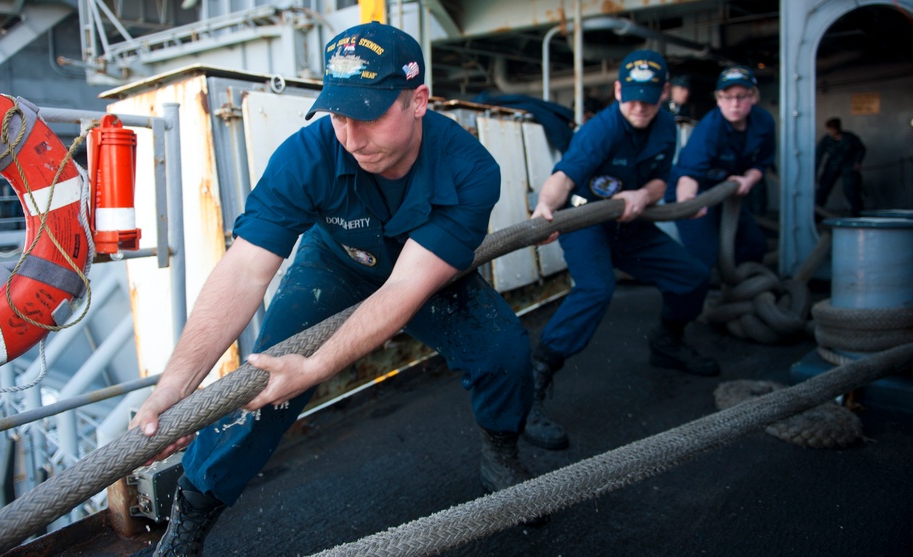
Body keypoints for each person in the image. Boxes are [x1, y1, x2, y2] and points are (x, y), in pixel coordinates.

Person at [132, 22, 536, 555]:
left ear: (418, 101)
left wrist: (318, 367)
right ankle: (191, 515)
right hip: (336, 265)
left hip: (429, 279)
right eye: (339, 115)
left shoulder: (470, 171)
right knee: (261, 387)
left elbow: (405, 288)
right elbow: (245, 270)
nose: (350, 135)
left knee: (504, 352)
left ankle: (500, 450)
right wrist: (176, 386)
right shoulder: (310, 154)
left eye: (367, 115)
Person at [526, 50, 719, 451]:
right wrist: (545, 209)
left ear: (665, 92)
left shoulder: (666, 127)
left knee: (693, 276)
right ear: (617, 90)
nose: (639, 106)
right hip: (585, 221)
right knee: (597, 288)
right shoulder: (602, 129)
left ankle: (667, 342)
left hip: (630, 223)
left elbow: (660, 184)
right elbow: (562, 179)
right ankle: (532, 382)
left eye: (649, 97)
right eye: (630, 96)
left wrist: (641, 194)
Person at [668, 65, 775, 270]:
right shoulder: (710, 128)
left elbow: (762, 163)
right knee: (703, 254)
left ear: (753, 97)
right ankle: (702, 299)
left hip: (727, 190)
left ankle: (742, 291)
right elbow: (689, 175)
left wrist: (747, 180)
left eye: (741, 96)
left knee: (753, 246)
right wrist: (688, 205)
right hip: (696, 191)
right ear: (718, 99)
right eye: (727, 97)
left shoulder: (763, 123)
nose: (734, 104)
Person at [815, 117, 866, 216]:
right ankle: (817, 213)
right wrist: (814, 173)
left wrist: (857, 162)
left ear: (838, 128)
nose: (831, 131)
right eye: (829, 129)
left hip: (848, 166)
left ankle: (857, 213)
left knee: (851, 189)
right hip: (832, 166)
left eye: (832, 129)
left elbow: (861, 149)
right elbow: (818, 155)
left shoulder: (850, 138)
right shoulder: (827, 139)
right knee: (823, 190)